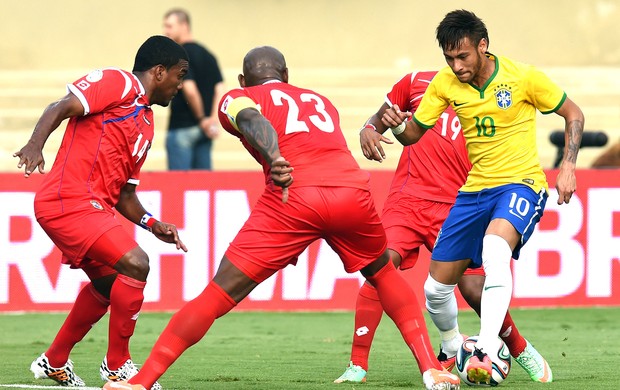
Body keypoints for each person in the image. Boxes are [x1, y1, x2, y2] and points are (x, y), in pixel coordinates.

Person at [103, 46, 461, 390]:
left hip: (293, 195)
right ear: (286, 75)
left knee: (218, 293)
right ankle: (431, 369)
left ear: (244, 80)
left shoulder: (237, 97)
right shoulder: (321, 101)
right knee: (383, 273)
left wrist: (273, 156)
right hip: (352, 192)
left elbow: (251, 118)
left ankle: (140, 382)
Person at [382, 10, 584, 385]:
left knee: (494, 251)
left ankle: (487, 350)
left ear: (483, 46)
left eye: (463, 57)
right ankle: (452, 346)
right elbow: (412, 135)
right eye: (449, 59)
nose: (456, 66)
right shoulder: (444, 83)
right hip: (474, 190)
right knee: (435, 291)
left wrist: (568, 166)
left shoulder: (522, 77)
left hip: (521, 184)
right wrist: (395, 125)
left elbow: (573, 113)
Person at [334, 71, 553, 384]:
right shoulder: (417, 83)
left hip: (458, 204)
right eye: (452, 54)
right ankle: (358, 365)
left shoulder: (494, 99)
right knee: (380, 269)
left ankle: (520, 348)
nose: (457, 62)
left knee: (474, 289)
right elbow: (383, 115)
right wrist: (369, 128)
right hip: (407, 202)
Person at [14, 35, 189, 389]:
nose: (180, 84)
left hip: (93, 207)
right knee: (136, 264)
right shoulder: (118, 81)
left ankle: (54, 359)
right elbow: (60, 106)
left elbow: (125, 195)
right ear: (158, 71)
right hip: (68, 200)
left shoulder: (147, 123)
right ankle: (117, 365)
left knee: (111, 284)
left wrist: (152, 223)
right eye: (179, 74)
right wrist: (36, 144)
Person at [163, 8, 225, 170]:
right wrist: (211, 120)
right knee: (202, 188)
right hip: (205, 132)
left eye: (169, 26)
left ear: (184, 25)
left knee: (179, 188)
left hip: (182, 128)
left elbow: (190, 89)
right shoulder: (208, 55)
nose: (165, 31)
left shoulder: (179, 56)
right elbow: (220, 88)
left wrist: (202, 119)